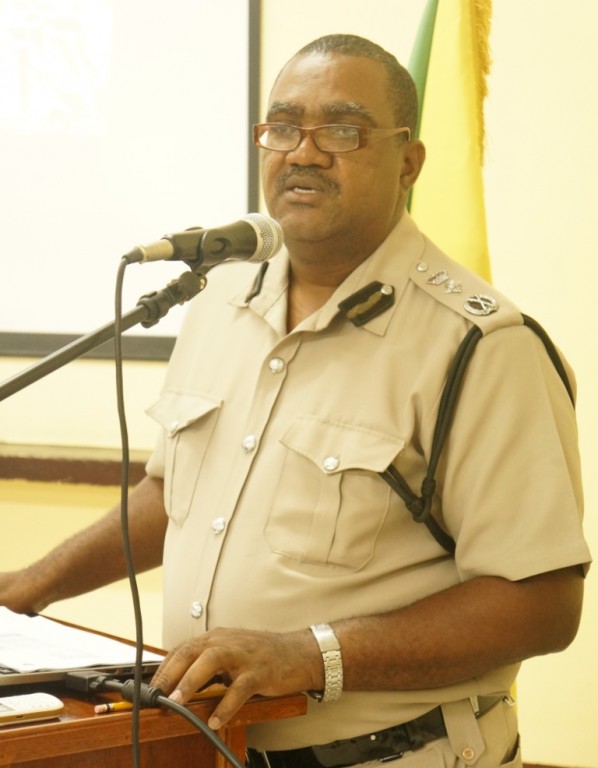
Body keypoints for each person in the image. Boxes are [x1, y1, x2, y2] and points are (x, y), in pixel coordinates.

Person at [0, 34, 591, 768]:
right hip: (210, 746)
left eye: (341, 130)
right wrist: (28, 588)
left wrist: (309, 655)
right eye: (282, 127)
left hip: (393, 754)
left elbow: (541, 604)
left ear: (409, 162)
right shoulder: (219, 298)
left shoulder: (483, 346)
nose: (303, 153)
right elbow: (175, 495)